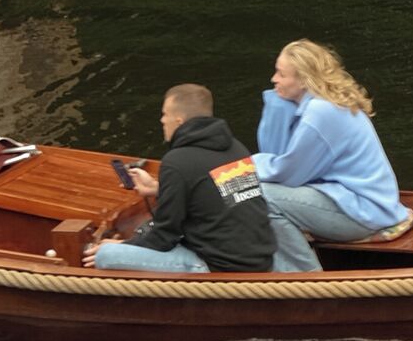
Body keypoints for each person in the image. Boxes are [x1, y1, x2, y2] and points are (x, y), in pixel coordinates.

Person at [91, 82, 286, 272]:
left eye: (165, 114)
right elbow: (214, 195)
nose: (161, 120)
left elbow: (164, 237)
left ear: (179, 121)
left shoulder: (177, 161)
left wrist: (124, 245)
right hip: (258, 258)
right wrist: (158, 188)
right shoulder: (236, 148)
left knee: (105, 254)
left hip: (220, 267)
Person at [254, 39, 406, 273]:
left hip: (362, 211)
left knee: (256, 195)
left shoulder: (321, 113)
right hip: (354, 200)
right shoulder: (323, 103)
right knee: (237, 190)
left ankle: (304, 278)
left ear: (304, 79)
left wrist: (246, 165)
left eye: (281, 74)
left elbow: (286, 174)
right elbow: (278, 155)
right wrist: (277, 105)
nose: (274, 79)